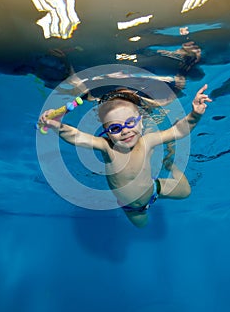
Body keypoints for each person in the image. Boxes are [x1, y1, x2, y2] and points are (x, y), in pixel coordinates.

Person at [39, 84, 212, 228]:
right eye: (115, 128)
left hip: (153, 189)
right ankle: (158, 185)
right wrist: (56, 125)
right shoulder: (107, 147)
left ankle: (170, 165)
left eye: (130, 123)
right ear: (106, 133)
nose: (125, 131)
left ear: (141, 122)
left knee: (186, 192)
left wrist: (195, 114)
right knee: (142, 225)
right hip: (131, 207)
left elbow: (178, 131)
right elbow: (78, 137)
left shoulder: (147, 141)